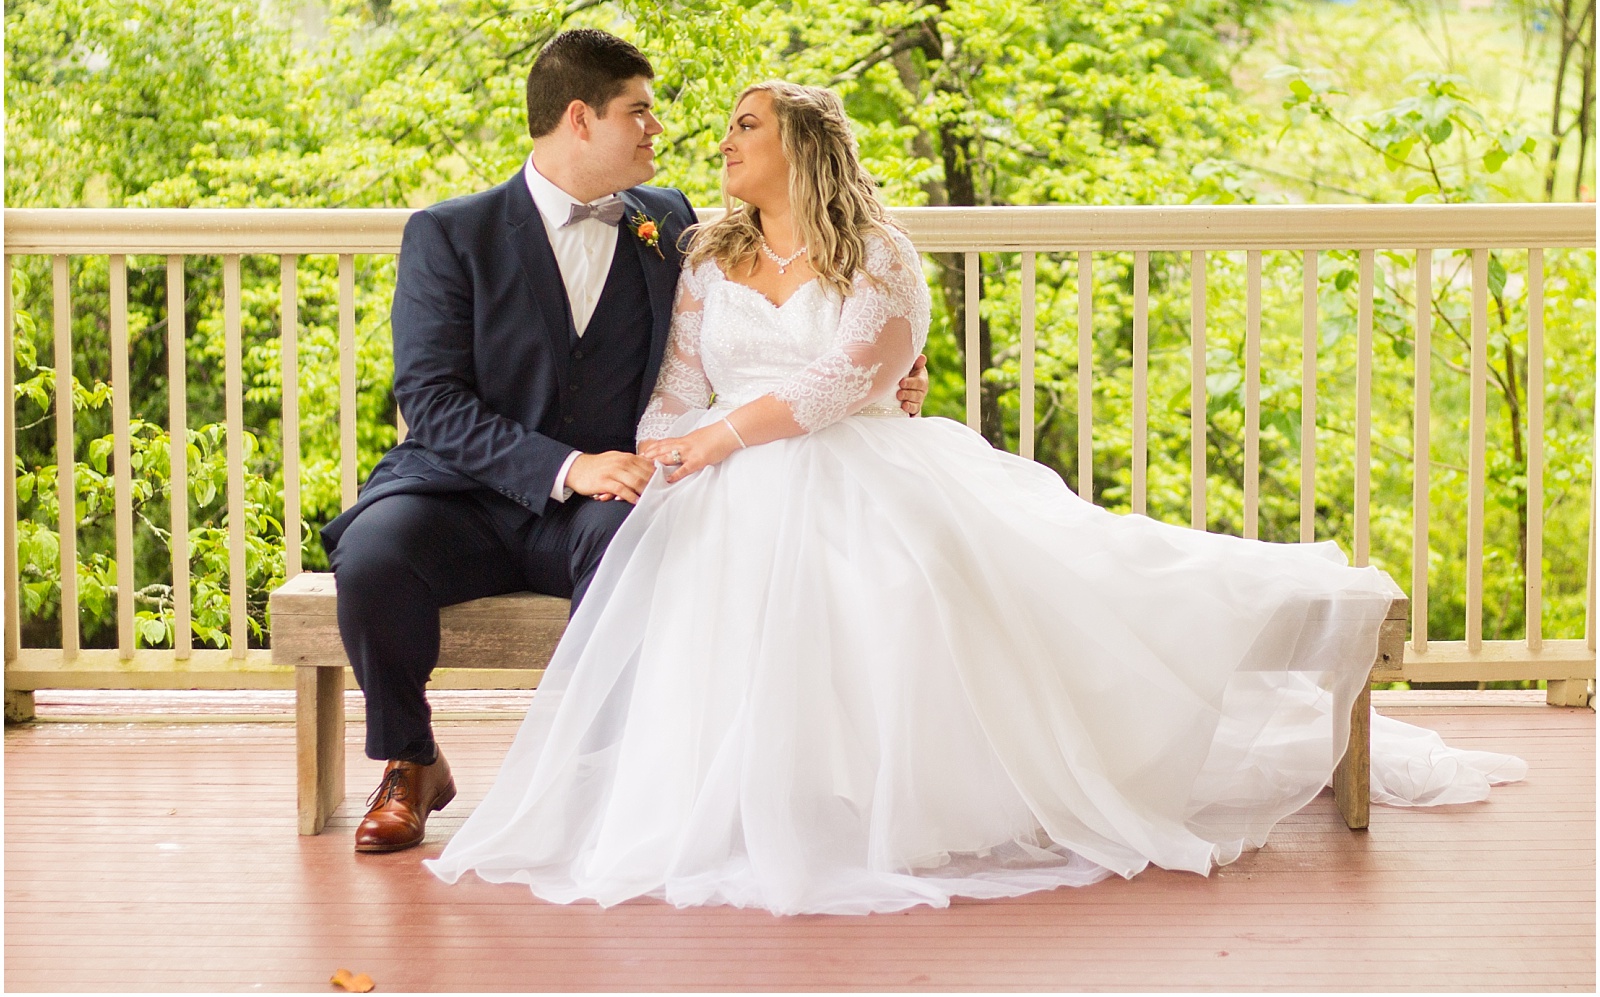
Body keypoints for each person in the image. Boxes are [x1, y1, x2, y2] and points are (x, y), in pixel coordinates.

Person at [430, 81, 1525, 916]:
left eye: (744, 127)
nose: (719, 145)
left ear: (801, 146)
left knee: (902, 584)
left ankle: (902, 797)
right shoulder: (706, 259)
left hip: (853, 462)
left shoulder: (880, 256)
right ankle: (741, 803)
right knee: (696, 575)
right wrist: (673, 452)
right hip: (715, 481)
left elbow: (842, 381)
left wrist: (718, 439)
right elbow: (672, 387)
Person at [321, 26, 933, 855]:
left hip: (613, 492)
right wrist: (566, 467)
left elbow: (742, 342)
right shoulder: (450, 233)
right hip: (458, 490)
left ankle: (608, 774)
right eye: (638, 111)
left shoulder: (671, 221)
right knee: (374, 556)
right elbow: (431, 402)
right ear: (580, 118)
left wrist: (882, 380)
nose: (660, 128)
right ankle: (409, 760)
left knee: (644, 547)